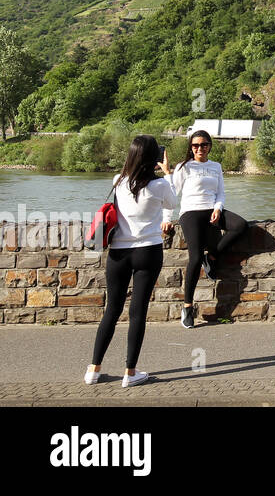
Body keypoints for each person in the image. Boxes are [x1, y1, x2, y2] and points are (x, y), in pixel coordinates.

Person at [86, 135, 177, 388]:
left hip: (118, 253)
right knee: (138, 313)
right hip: (148, 251)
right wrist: (167, 172)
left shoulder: (118, 181)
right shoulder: (159, 185)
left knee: (111, 310)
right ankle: (130, 373)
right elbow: (173, 203)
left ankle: (93, 370)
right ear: (152, 158)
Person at [162, 129, 247, 329]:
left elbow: (221, 193)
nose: (200, 148)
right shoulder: (184, 166)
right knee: (194, 258)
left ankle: (212, 257)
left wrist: (218, 209)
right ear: (191, 148)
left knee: (240, 226)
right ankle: (188, 306)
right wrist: (166, 219)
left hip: (212, 211)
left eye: (204, 144)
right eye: (195, 145)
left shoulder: (216, 166)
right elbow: (171, 194)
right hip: (191, 213)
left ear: (210, 146)